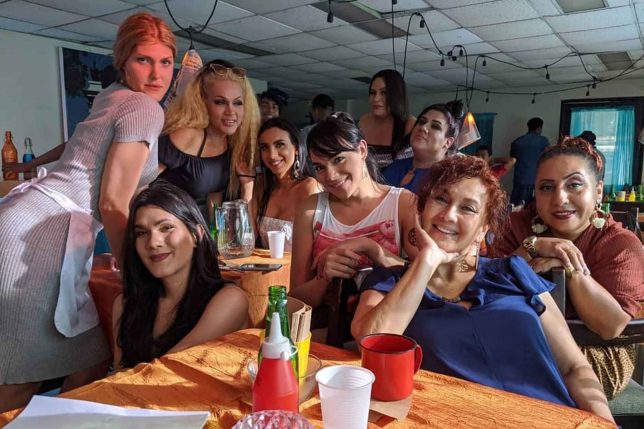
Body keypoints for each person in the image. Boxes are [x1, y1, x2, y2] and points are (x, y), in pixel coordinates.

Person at [0, 12, 176, 411]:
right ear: (123, 61)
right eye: (143, 60)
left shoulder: (112, 95)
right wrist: (135, 272)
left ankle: (58, 419)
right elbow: (113, 202)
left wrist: (30, 166)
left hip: (31, 221)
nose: (156, 74)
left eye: (165, 62)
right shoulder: (144, 107)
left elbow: (77, 143)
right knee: (17, 378)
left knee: (91, 356)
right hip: (40, 234)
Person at [351, 156, 614, 423]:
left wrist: (604, 423)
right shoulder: (391, 282)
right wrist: (427, 261)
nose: (449, 215)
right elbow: (370, 341)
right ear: (421, 211)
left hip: (550, 418)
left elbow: (573, 367)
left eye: (468, 208)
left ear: (482, 229)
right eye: (441, 199)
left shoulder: (513, 273)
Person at [492, 137, 644, 400]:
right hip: (515, 338)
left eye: (574, 185)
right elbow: (491, 285)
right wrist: (532, 246)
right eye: (546, 187)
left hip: (597, 352)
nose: (559, 198)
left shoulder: (620, 243)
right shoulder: (516, 226)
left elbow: (609, 326)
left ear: (598, 191)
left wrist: (569, 268)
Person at [289, 112, 418, 312]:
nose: (330, 176)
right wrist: (322, 280)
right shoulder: (312, 209)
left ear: (362, 150)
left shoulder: (402, 203)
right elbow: (295, 300)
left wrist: (371, 248)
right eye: (319, 167)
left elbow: (427, 279)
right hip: (326, 327)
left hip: (384, 325)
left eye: (338, 159)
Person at [112, 180, 247, 369]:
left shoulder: (229, 300)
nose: (153, 243)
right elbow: (118, 373)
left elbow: (168, 367)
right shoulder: (125, 304)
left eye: (166, 227)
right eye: (141, 233)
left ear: (196, 235)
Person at [161, 59, 260, 223]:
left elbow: (214, 204)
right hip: (167, 229)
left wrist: (218, 234)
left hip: (198, 232)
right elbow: (139, 187)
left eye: (237, 103)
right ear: (202, 102)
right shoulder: (186, 135)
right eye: (220, 102)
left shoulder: (231, 144)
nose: (231, 111)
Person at [254, 118, 320, 251]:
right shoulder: (262, 188)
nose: (272, 155)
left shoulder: (309, 187)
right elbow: (247, 240)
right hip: (264, 264)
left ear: (296, 148)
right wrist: (246, 184)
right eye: (264, 147)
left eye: (279, 145)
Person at [383, 100, 464, 193]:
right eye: (421, 122)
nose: (423, 128)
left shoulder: (451, 179)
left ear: (448, 142)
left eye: (435, 126)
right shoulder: (395, 166)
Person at [358, 69, 416, 170]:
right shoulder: (364, 122)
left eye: (384, 92)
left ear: (397, 95)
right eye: (373, 93)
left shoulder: (410, 124)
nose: (376, 98)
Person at [510, 117, 549, 205]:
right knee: (531, 208)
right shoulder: (543, 141)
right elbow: (548, 159)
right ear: (538, 128)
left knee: (515, 207)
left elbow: (512, 160)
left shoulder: (516, 142)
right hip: (534, 181)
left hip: (519, 181)